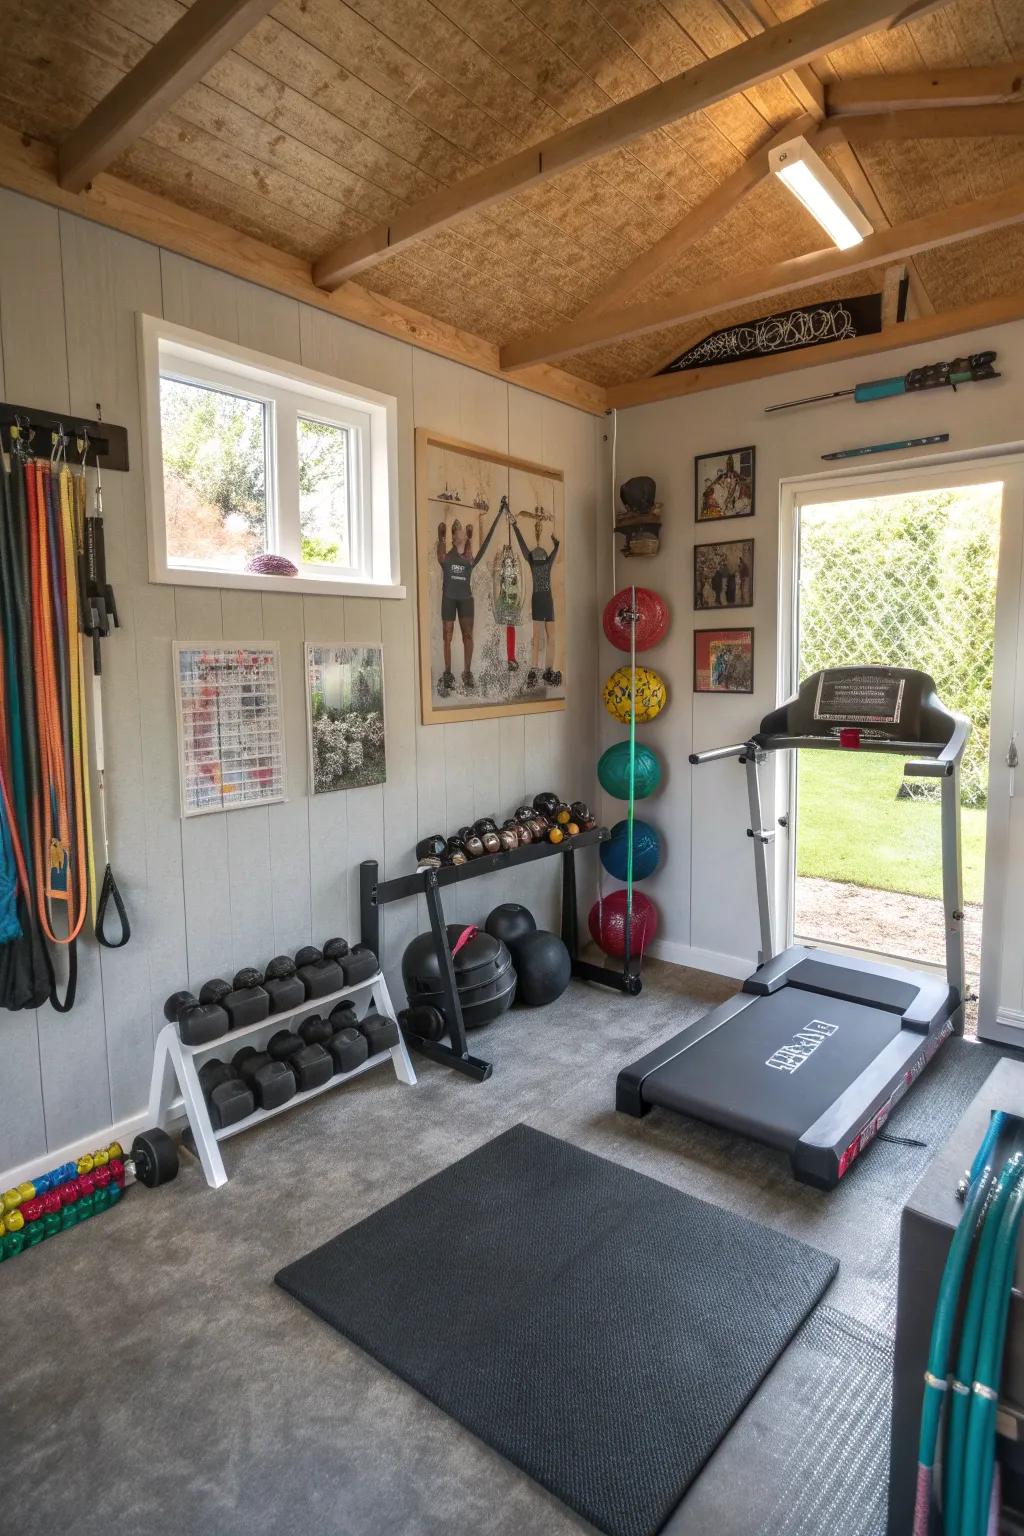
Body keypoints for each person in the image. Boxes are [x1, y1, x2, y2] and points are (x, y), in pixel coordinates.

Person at [435, 508, 502, 694]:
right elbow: (440, 556)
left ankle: (467, 672)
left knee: (468, 635)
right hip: (448, 597)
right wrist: (441, 536)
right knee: (447, 636)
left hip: (465, 599)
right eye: (458, 531)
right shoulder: (447, 556)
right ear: (453, 536)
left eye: (462, 531)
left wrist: (474, 533)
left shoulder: (468, 557)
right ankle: (448, 673)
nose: (461, 532)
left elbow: (477, 548)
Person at [512, 507, 561, 687]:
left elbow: (555, 547)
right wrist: (515, 527)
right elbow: (524, 545)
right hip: (543, 600)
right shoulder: (540, 562)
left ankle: (545, 670)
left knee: (549, 637)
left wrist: (555, 542)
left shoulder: (539, 562)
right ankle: (535, 670)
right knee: (540, 636)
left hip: (545, 601)